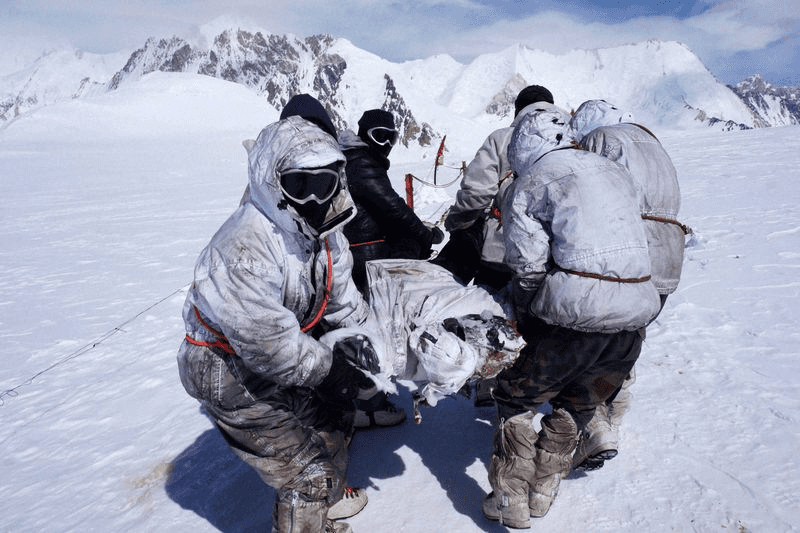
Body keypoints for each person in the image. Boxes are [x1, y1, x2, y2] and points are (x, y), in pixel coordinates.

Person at [176, 95, 377, 533]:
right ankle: (311, 501)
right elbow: (268, 344)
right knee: (306, 474)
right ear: (273, 183)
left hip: (272, 353)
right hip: (222, 365)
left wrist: (371, 349)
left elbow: (343, 299)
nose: (314, 198)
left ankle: (323, 509)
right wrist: (331, 371)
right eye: (299, 185)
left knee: (331, 422)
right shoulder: (244, 247)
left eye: (325, 184)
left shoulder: (325, 233)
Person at [481, 104, 662, 528]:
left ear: (523, 147)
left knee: (515, 394)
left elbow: (527, 265)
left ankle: (510, 498)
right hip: (636, 315)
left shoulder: (531, 183)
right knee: (578, 402)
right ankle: (543, 493)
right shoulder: (614, 171)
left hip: (577, 314)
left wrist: (529, 314)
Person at [567, 99, 687, 471]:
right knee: (628, 340)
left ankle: (593, 426)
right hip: (668, 258)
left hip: (628, 253)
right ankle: (613, 414)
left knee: (590, 342)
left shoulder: (602, 139)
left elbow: (589, 196)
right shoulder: (652, 142)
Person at [339, 109, 443, 428]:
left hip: (358, 251)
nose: (385, 144)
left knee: (363, 326)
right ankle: (369, 405)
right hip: (365, 256)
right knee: (373, 330)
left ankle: (361, 400)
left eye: (391, 137)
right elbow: (393, 206)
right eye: (379, 136)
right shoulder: (361, 162)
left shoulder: (354, 158)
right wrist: (424, 235)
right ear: (364, 134)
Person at [433, 84, 555, 292]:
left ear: (518, 110)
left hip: (501, 253)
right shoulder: (573, 140)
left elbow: (476, 194)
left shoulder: (502, 138)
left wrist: (458, 221)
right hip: (552, 257)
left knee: (488, 306)